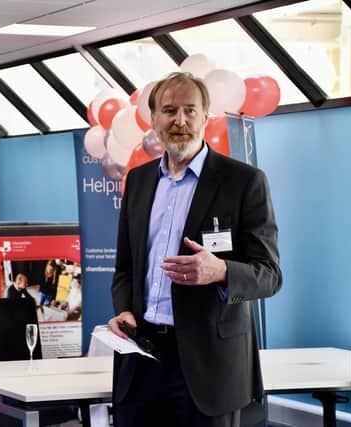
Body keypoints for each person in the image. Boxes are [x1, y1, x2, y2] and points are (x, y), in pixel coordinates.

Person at [107, 72, 282, 427]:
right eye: (169, 110)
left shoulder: (244, 182)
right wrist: (123, 310)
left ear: (206, 117)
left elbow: (270, 275)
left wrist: (221, 272)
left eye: (190, 110)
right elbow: (125, 268)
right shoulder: (139, 182)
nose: (180, 120)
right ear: (153, 119)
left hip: (209, 367)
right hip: (141, 361)